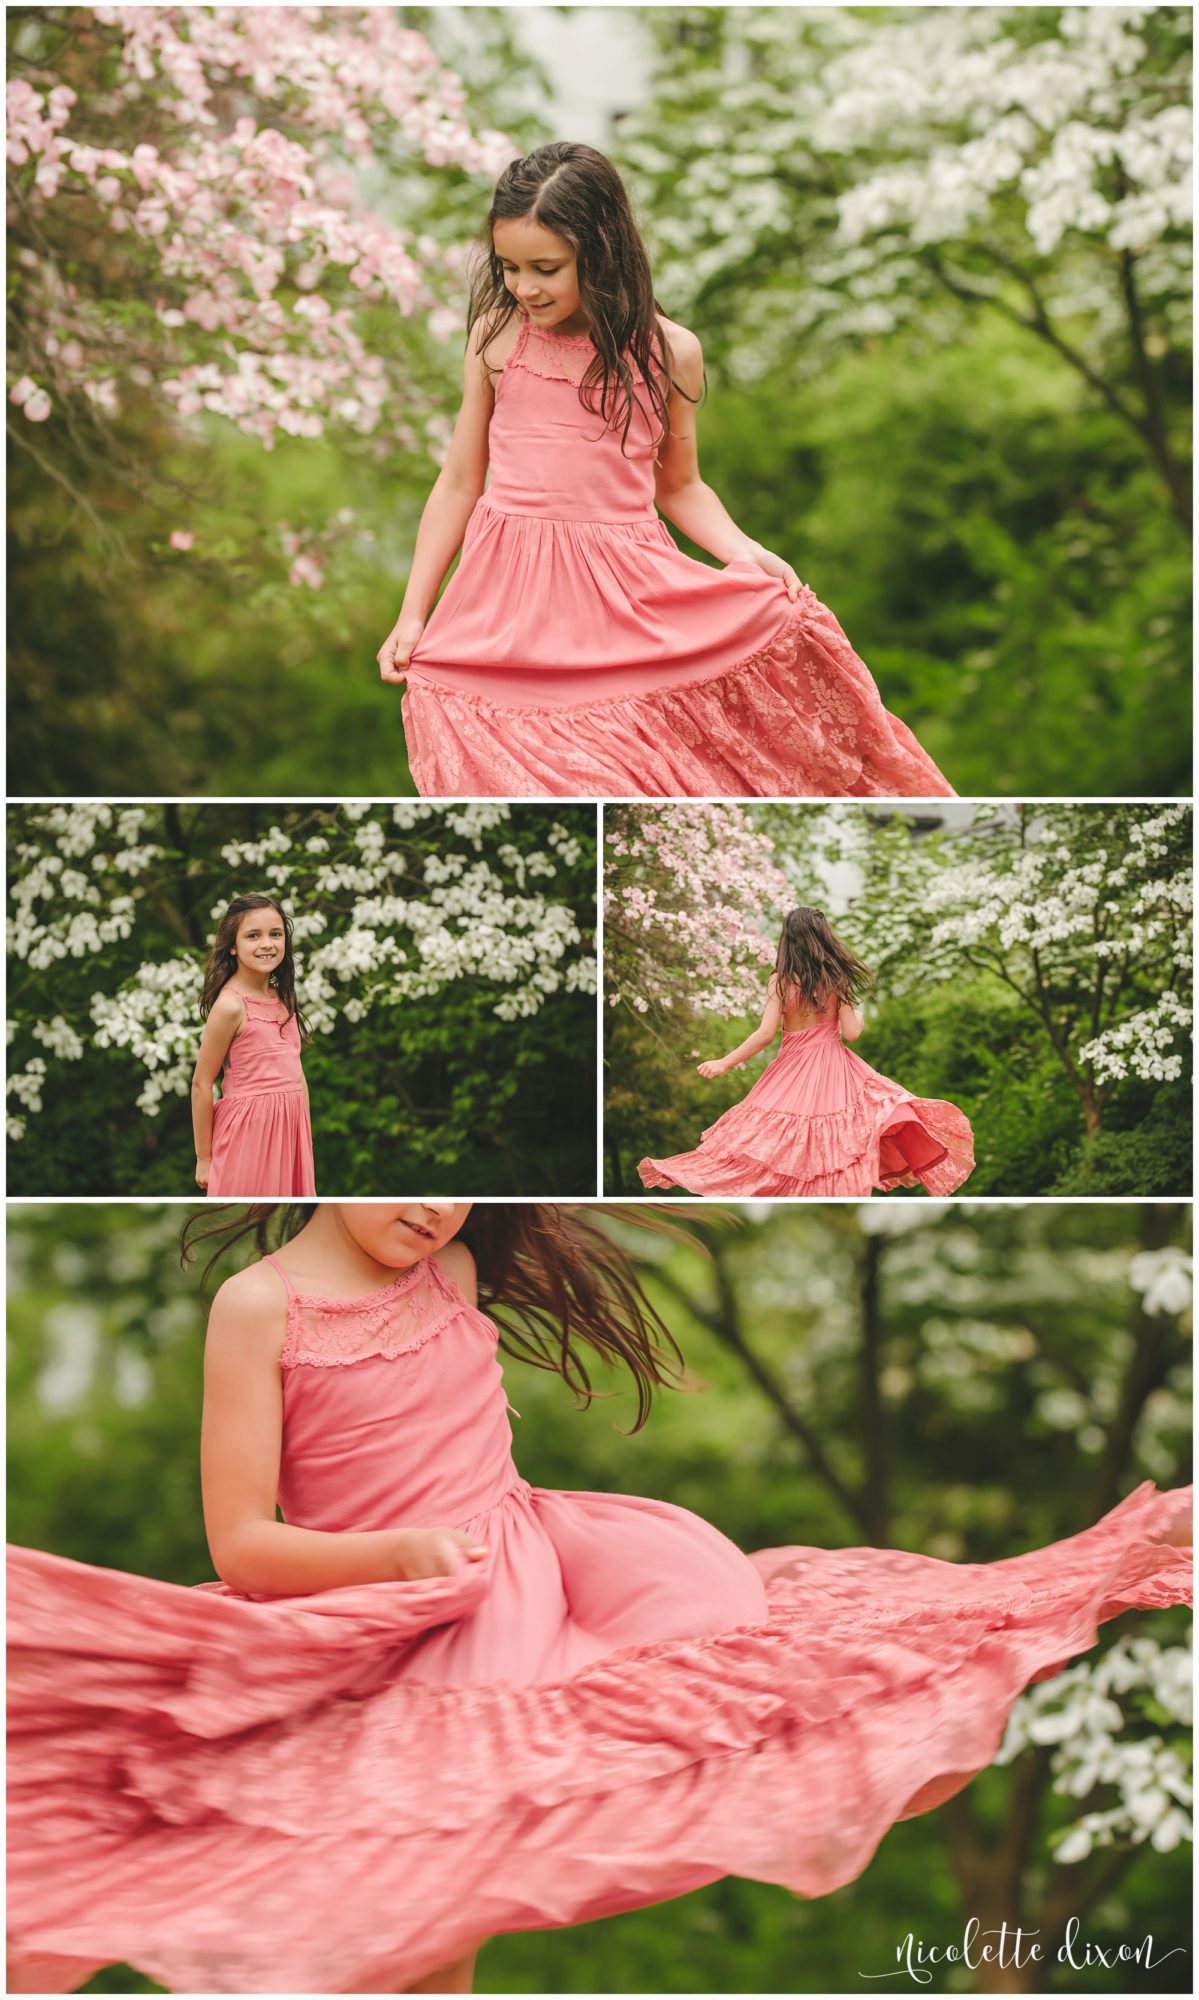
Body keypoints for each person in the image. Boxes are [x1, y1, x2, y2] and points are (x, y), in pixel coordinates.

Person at [7, 1202, 1191, 1995]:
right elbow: (244, 1541)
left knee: (796, 1671)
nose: (436, 1207)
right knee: (384, 1927)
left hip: (545, 1595)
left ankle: (1109, 1563)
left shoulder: (454, 1265)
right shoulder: (260, 1305)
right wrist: (399, 1556)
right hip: (387, 1630)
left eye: (464, 1186)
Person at [378, 142, 956, 801]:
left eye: (545, 267)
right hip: (506, 606)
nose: (523, 287)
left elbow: (678, 484)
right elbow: (458, 482)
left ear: (598, 253)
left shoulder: (668, 352)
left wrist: (743, 551)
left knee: (640, 777)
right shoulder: (494, 339)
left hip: (631, 599)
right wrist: (412, 614)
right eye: (508, 267)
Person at [639, 906, 975, 1197]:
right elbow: (853, 1033)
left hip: (790, 1074)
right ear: (823, 938)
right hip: (836, 1074)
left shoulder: (781, 982)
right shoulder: (836, 978)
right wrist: (856, 1015)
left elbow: (764, 1035)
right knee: (836, 1150)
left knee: (779, 1150)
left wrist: (724, 1062)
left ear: (788, 940)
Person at [191, 894, 315, 1197]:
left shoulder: (283, 997)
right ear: (233, 946)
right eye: (253, 936)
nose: (267, 944)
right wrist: (204, 1157)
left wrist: (304, 1137)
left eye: (275, 934)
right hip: (248, 1131)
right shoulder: (231, 1006)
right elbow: (201, 1083)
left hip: (290, 1130)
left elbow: (297, 1073)